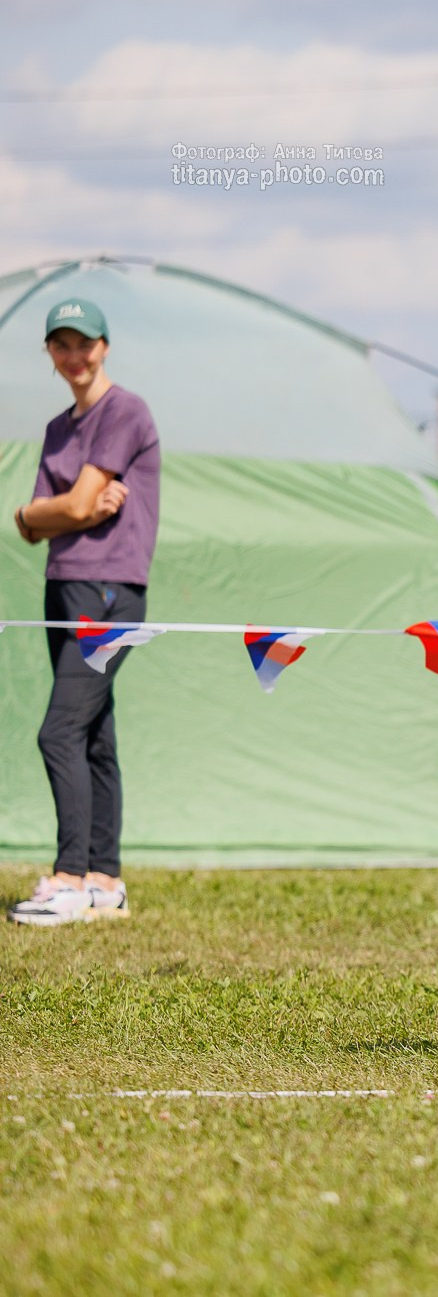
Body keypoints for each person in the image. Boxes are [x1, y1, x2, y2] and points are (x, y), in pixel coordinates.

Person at [9, 297, 161, 927]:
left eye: (85, 343)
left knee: (59, 731)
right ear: (49, 352)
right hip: (64, 588)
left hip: (111, 593)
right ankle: (105, 881)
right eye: (60, 344)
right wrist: (35, 515)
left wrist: (57, 511)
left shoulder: (126, 410)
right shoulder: (55, 428)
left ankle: (70, 877)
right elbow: (41, 521)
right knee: (95, 735)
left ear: (104, 346)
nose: (74, 356)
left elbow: (66, 510)